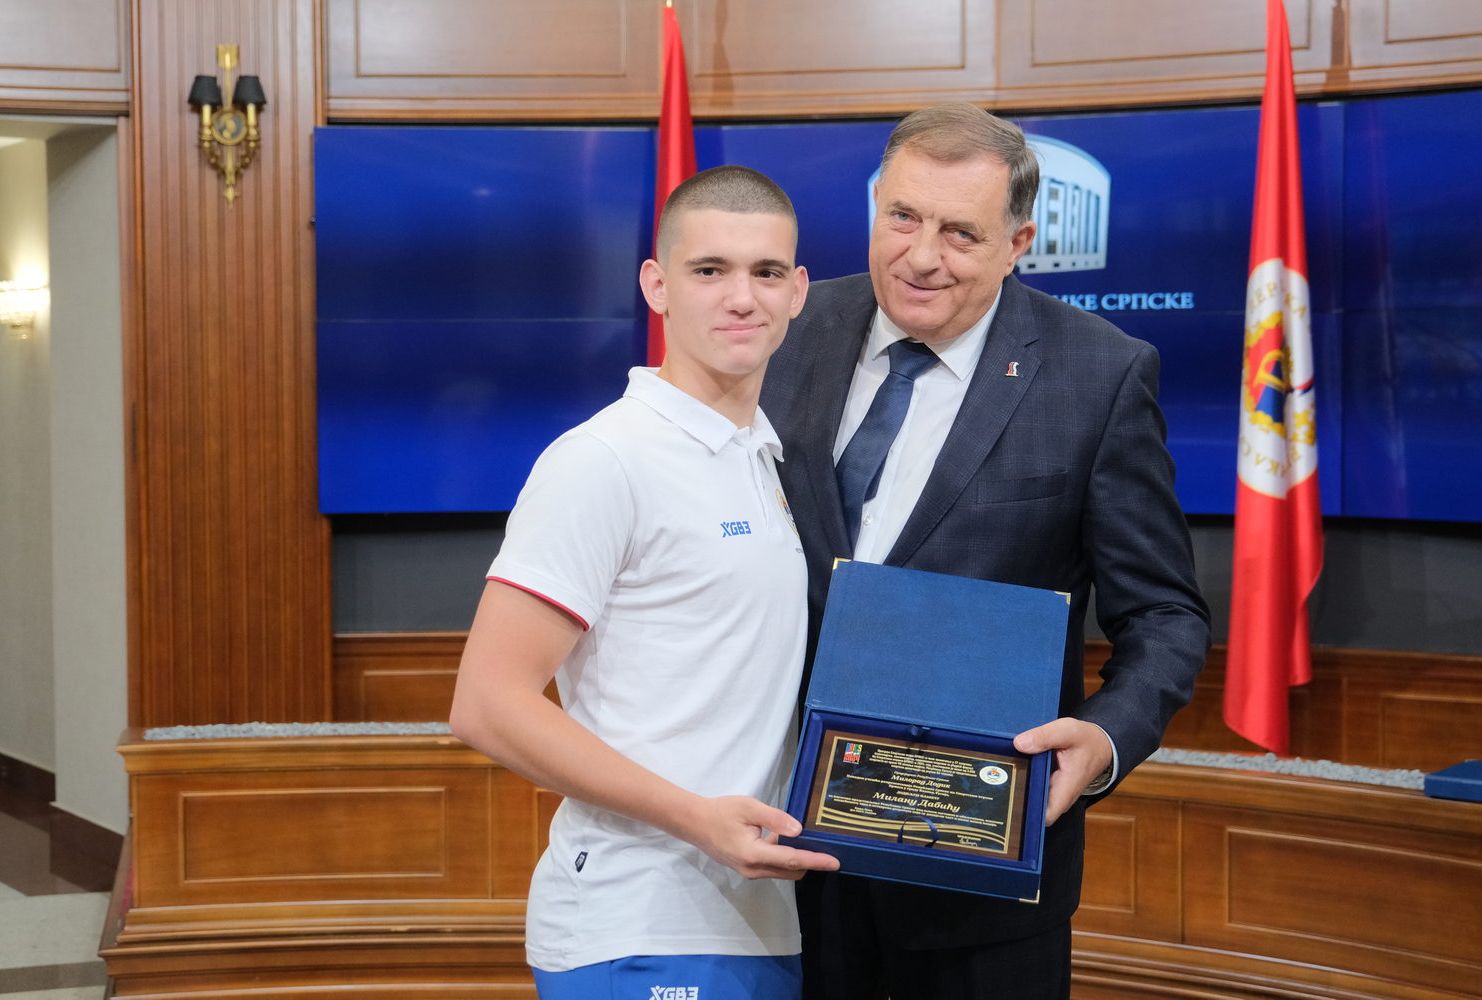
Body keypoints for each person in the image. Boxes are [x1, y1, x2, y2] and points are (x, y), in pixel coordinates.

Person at [759, 103, 1211, 999]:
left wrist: (1105, 739)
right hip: (777, 852)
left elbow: (1165, 614)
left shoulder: (1099, 374)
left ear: (1018, 245)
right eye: (903, 217)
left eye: (961, 233)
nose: (921, 256)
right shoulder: (788, 327)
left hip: (978, 877)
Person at [449, 164, 840, 1000]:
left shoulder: (766, 459)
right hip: (636, 924)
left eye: (767, 272)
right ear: (657, 285)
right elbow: (486, 705)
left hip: (755, 919)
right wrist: (697, 818)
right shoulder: (603, 461)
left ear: (799, 291)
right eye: (710, 270)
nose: (743, 297)